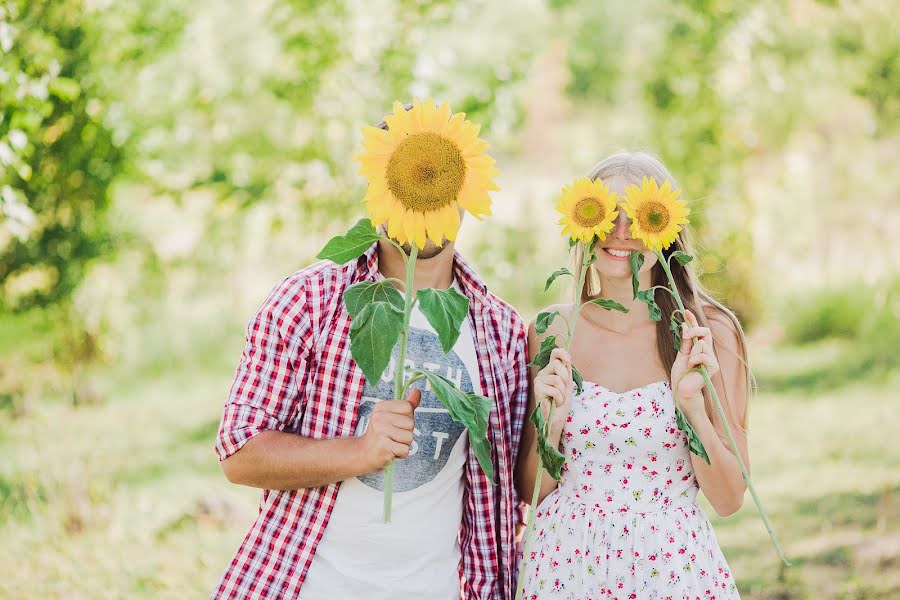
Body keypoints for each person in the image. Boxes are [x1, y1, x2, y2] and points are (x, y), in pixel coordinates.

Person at [209, 105, 529, 599]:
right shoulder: (309, 302)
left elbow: (506, 497)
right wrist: (360, 451)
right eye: (410, 179)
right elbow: (239, 452)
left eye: (438, 179)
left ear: (464, 190)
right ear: (378, 193)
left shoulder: (501, 331)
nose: (424, 200)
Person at [516, 152, 749, 598]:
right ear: (582, 222)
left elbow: (729, 499)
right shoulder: (553, 331)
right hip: (564, 570)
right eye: (606, 213)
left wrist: (693, 408)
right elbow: (532, 491)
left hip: (669, 571)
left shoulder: (707, 332)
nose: (621, 232)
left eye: (641, 218)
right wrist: (552, 422)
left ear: (667, 230)